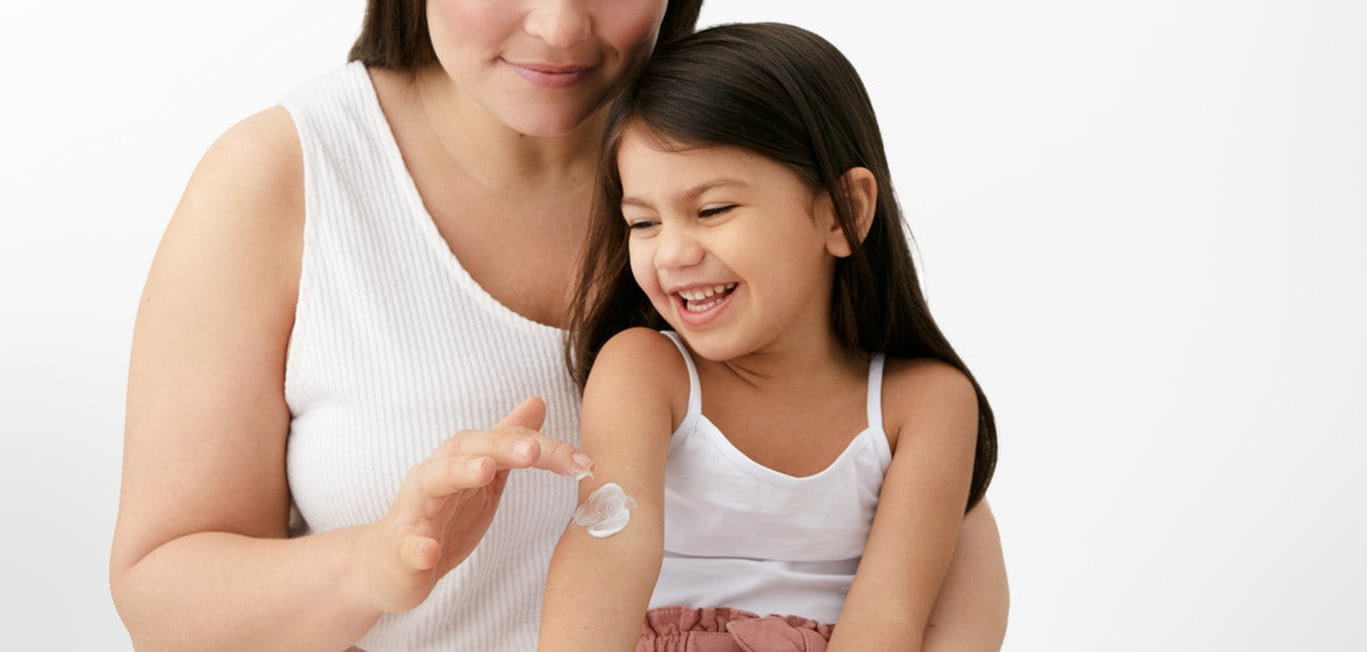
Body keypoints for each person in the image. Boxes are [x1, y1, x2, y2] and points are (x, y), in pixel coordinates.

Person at [108, 2, 1008, 650]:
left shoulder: (730, 139)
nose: (561, 26)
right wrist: (378, 565)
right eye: (644, 221)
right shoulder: (283, 178)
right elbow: (161, 602)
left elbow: (907, 516)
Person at [535, 23, 997, 651]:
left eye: (713, 210)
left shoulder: (927, 404)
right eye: (642, 222)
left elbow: (889, 616)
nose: (671, 252)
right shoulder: (646, 370)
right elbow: (608, 549)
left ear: (842, 212)